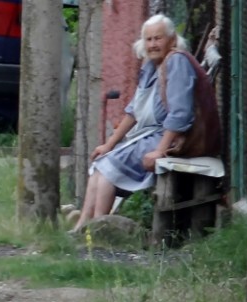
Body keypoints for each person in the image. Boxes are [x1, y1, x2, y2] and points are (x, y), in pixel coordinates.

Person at [70, 14, 197, 234]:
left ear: (172, 40)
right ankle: (82, 227)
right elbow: (133, 111)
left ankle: (101, 230)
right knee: (101, 163)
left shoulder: (177, 62)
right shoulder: (150, 67)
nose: (153, 44)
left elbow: (180, 113)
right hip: (147, 135)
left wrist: (159, 150)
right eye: (148, 40)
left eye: (158, 38)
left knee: (110, 169)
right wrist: (108, 145)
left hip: (166, 137)